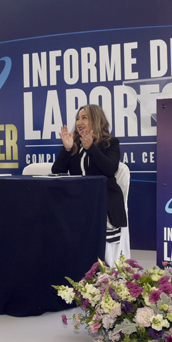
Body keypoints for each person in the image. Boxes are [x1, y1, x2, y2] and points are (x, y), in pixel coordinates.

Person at [51, 104, 127, 245]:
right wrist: (67, 149)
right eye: (77, 118)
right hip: (77, 199)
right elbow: (57, 172)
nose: (79, 122)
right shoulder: (74, 143)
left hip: (102, 199)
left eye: (84, 118)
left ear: (96, 120)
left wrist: (91, 148)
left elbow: (110, 169)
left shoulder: (110, 142)